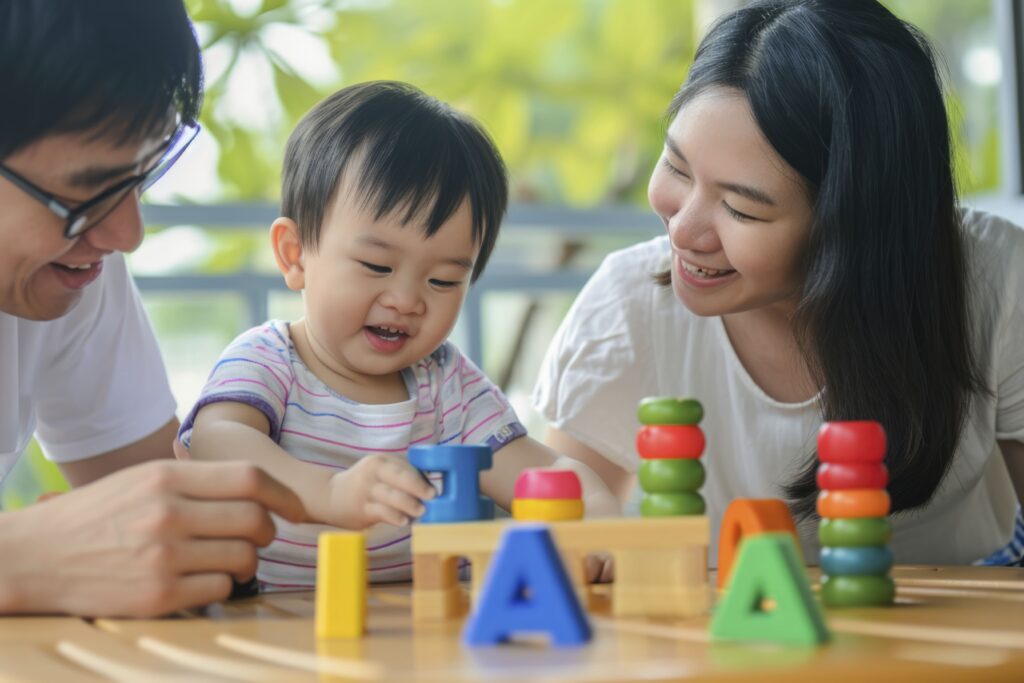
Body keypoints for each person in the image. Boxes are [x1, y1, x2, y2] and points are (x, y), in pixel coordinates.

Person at [534, 0, 1024, 567]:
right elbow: (552, 543)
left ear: (855, 227)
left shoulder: (994, 283)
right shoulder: (631, 303)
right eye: (676, 167)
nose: (684, 229)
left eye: (741, 209)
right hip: (729, 644)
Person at [177, 81, 620, 589]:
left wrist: (597, 511)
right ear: (295, 253)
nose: (407, 300)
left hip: (428, 628)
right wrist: (330, 494)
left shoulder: (447, 387)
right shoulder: (269, 360)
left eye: (444, 280)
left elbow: (539, 469)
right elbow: (218, 444)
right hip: (281, 623)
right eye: (377, 265)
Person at [0, 0, 305, 617]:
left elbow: (168, 523)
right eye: (87, 191)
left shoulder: (66, 270)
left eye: (140, 175)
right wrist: (22, 560)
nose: (126, 234)